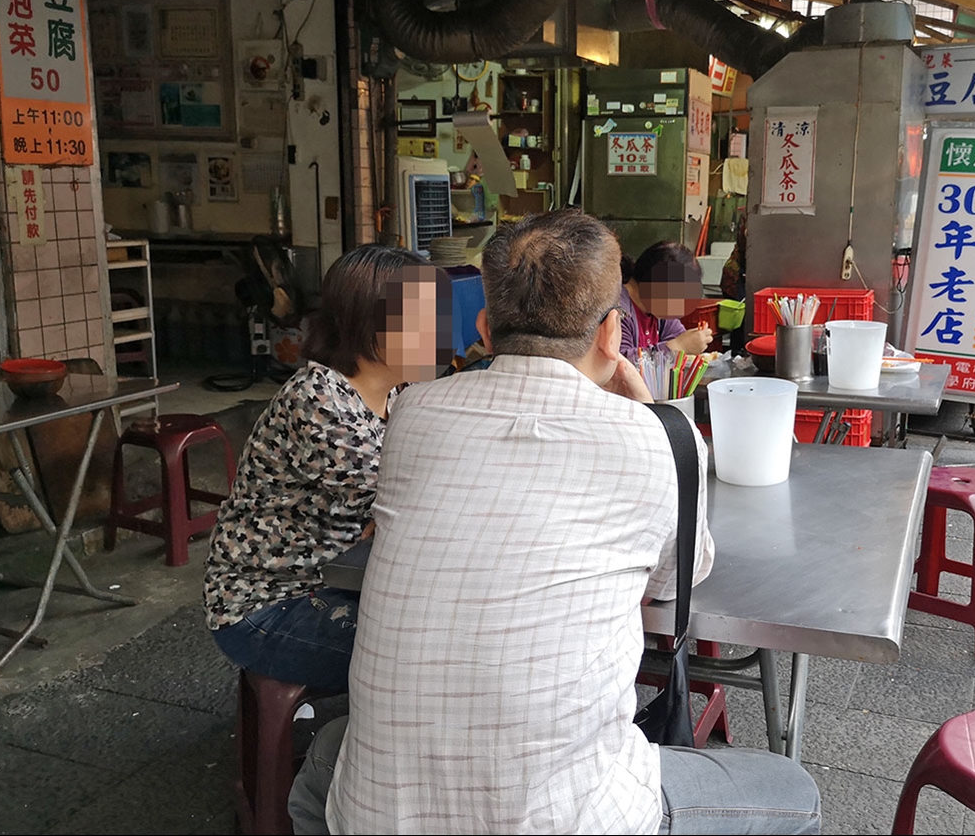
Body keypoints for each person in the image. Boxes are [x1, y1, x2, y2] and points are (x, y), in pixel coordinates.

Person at [288, 211, 820, 835]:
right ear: (610, 334)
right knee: (792, 790)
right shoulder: (655, 441)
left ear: (485, 330)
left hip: (380, 816)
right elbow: (679, 579)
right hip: (572, 818)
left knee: (325, 766)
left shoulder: (414, 414)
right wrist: (655, 417)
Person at [201, 245, 449, 693]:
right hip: (270, 605)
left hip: (339, 581)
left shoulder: (399, 392)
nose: (436, 335)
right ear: (365, 322)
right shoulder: (320, 401)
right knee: (432, 657)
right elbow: (418, 507)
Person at [620, 240, 714, 359]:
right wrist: (679, 346)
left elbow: (677, 335)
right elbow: (618, 365)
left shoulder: (655, 309)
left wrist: (690, 341)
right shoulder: (618, 309)